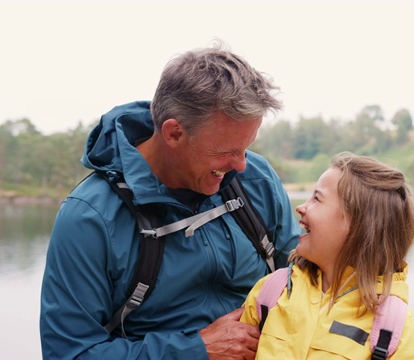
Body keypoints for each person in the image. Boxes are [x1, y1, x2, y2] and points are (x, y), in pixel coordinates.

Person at [39, 42, 299, 360]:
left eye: (246, 147)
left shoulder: (256, 180)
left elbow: (309, 282)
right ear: (174, 133)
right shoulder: (89, 218)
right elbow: (70, 353)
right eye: (226, 151)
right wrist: (194, 351)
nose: (241, 164)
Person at [240, 152, 414, 359]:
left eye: (317, 199)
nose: (301, 207)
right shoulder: (270, 292)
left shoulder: (396, 331)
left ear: (357, 225)